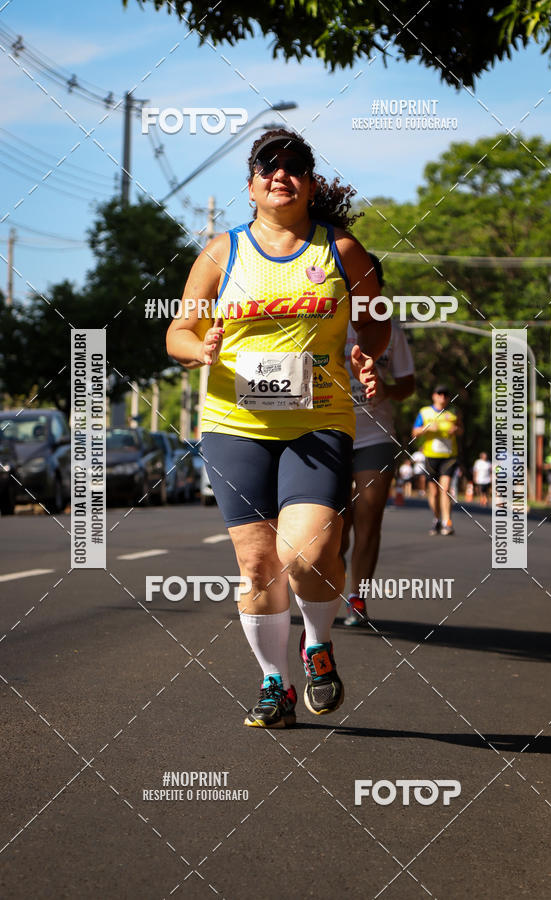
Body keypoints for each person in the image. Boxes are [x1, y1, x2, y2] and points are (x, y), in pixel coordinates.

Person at [166, 129, 390, 728]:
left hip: (316, 422)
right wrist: (201, 347)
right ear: (251, 184)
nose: (280, 174)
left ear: (311, 184)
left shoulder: (341, 252)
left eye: (295, 166)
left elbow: (375, 322)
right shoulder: (220, 252)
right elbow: (176, 333)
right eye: (268, 166)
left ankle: (317, 644)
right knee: (259, 564)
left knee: (311, 550)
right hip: (233, 425)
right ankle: (275, 685)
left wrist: (368, 353)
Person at [341, 254, 415, 626]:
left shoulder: (391, 330)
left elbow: (408, 384)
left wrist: (387, 389)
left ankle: (357, 598)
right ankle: (327, 595)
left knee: (369, 522)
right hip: (329, 434)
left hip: (375, 437)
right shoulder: (327, 325)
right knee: (333, 532)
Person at [411, 385, 462, 536]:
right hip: (431, 456)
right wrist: (427, 428)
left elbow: (461, 430)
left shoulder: (453, 412)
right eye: (439, 394)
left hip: (449, 456)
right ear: (434, 396)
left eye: (446, 395)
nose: (443, 397)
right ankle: (437, 518)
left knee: (445, 489)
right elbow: (415, 432)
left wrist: (456, 430)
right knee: (433, 492)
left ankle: (447, 521)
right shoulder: (425, 412)